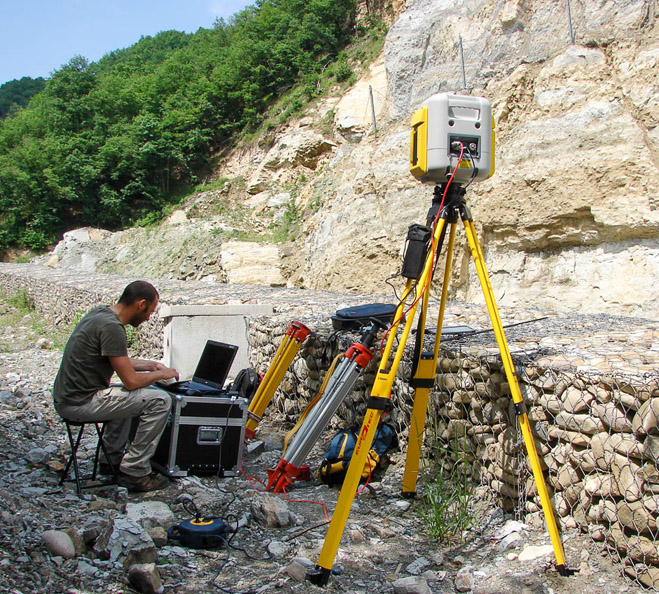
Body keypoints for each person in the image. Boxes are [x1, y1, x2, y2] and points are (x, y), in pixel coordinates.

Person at [53, 280, 179, 492]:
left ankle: (110, 462)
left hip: (67, 398)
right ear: (140, 304)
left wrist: (149, 366)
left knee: (131, 396)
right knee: (159, 400)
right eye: (149, 311)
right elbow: (131, 381)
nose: (149, 318)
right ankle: (135, 471)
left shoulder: (100, 314)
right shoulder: (112, 328)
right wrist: (161, 375)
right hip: (79, 404)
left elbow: (114, 359)